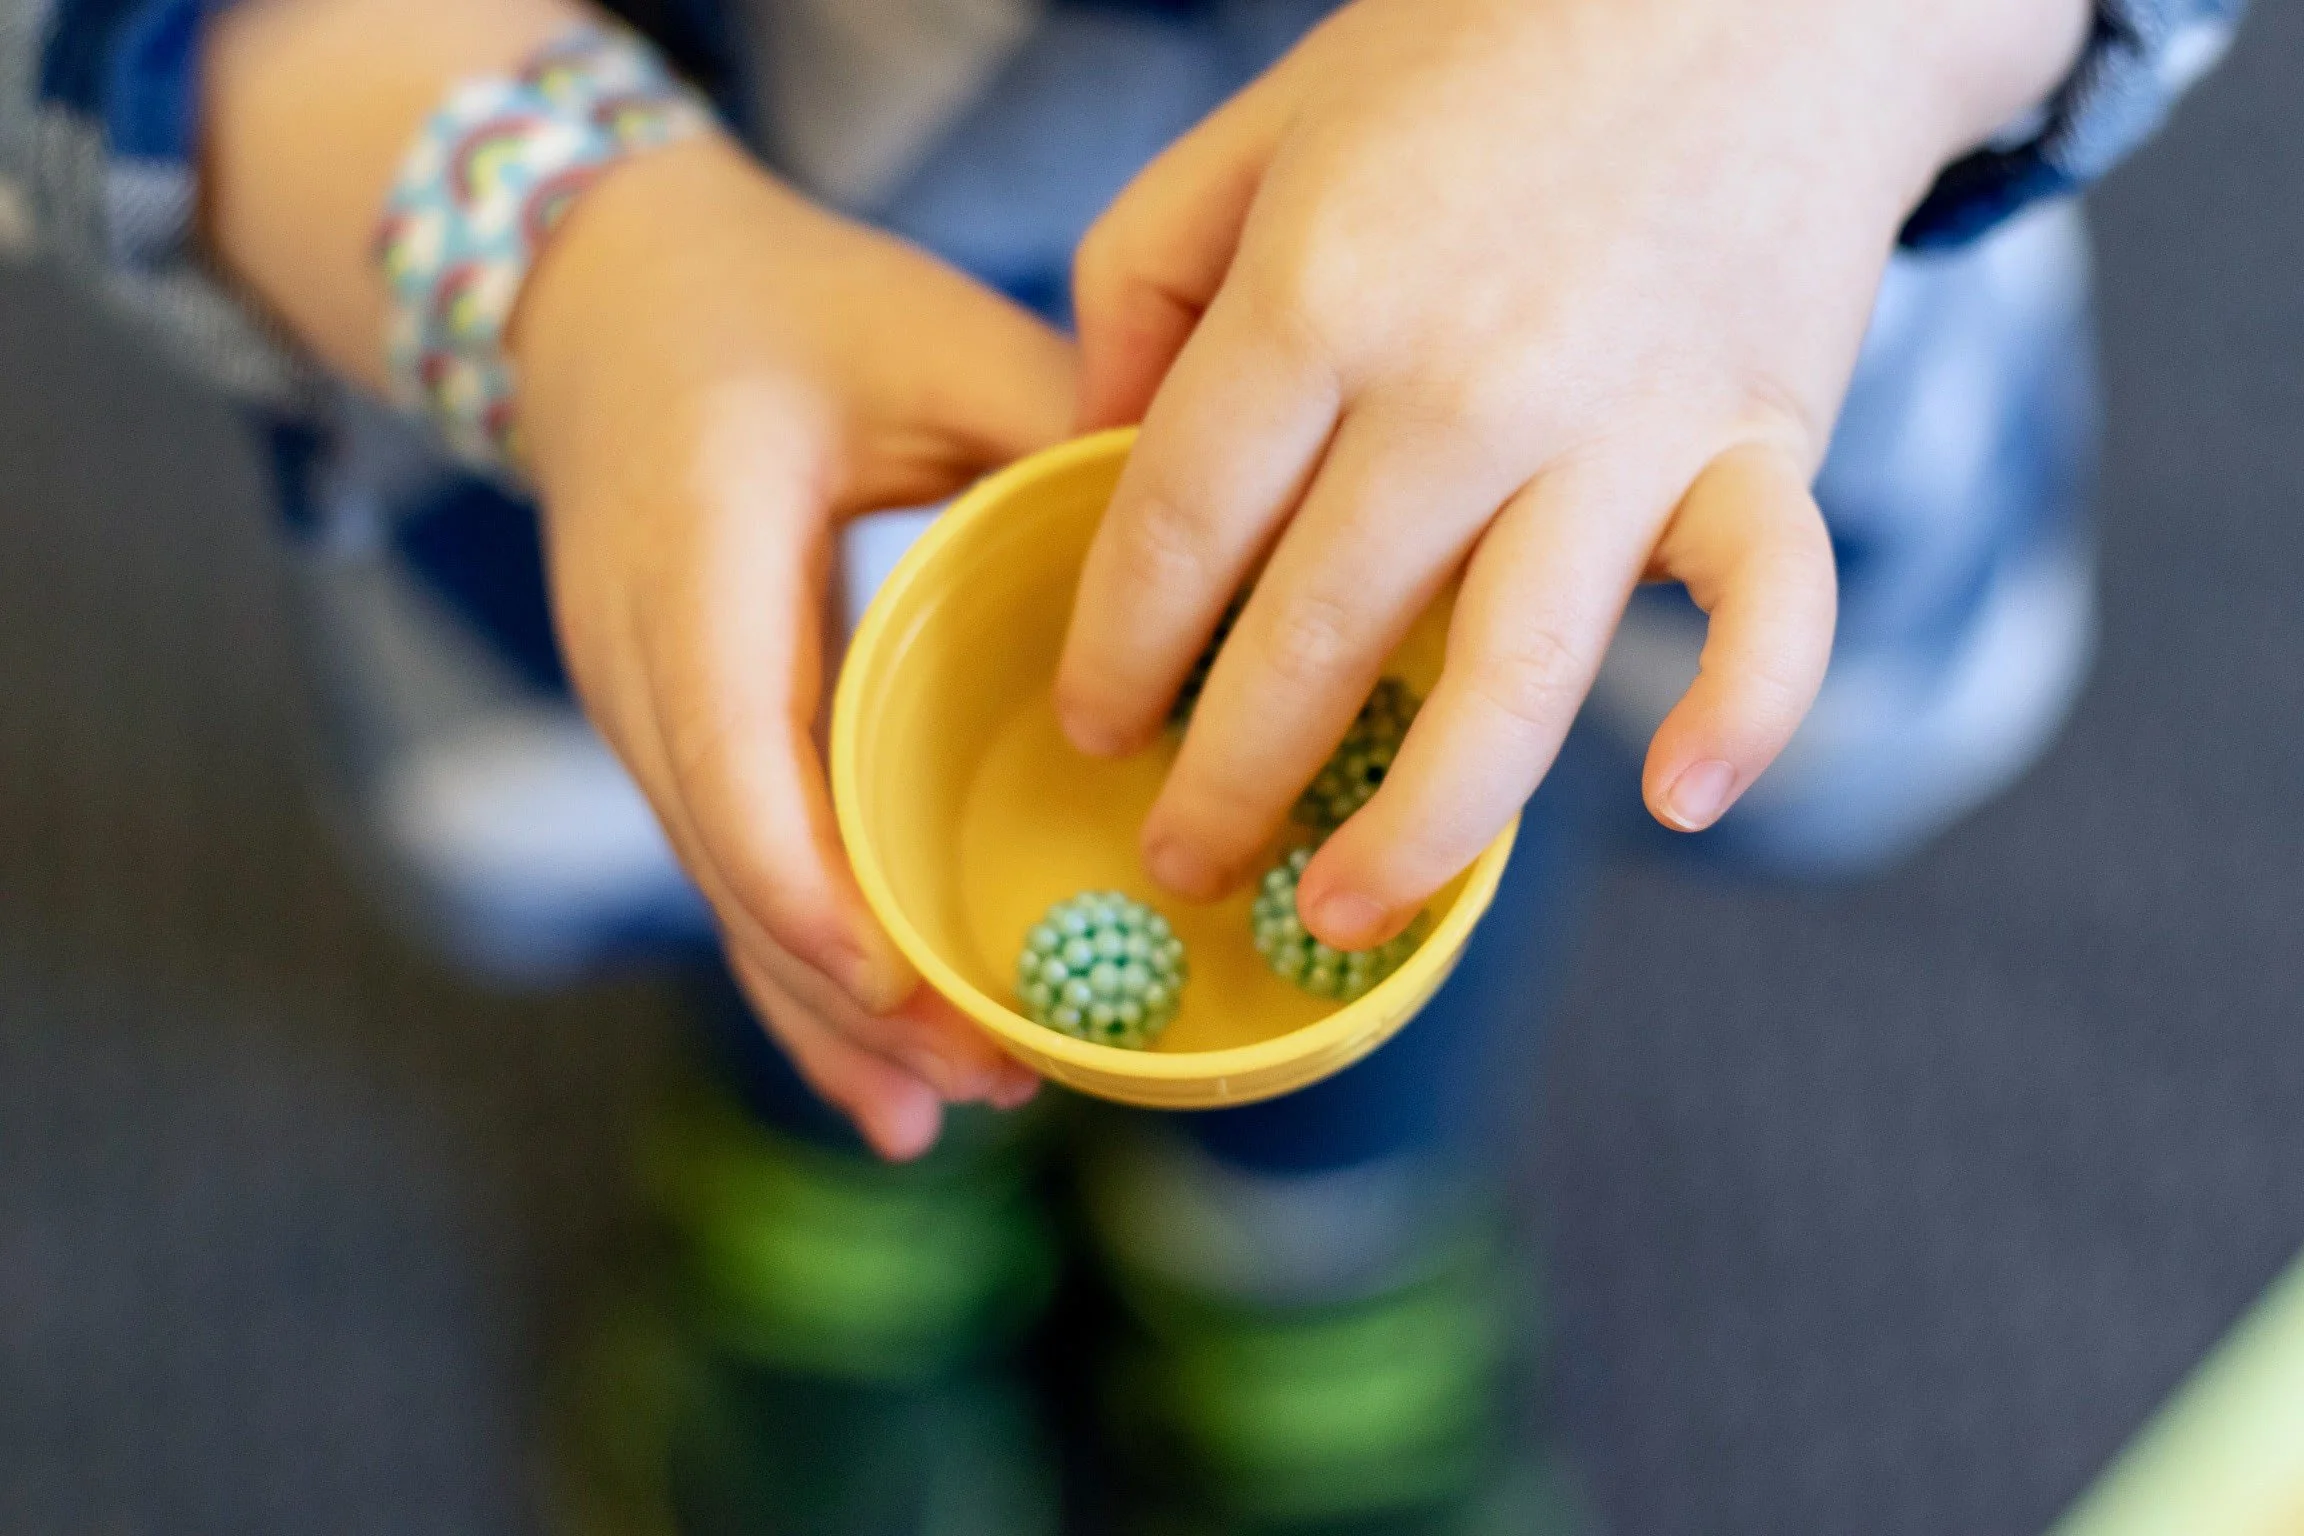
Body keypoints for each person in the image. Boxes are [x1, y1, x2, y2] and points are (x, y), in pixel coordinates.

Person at [0, 0, 2243, 1529]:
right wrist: (570, 264)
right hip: (702, 196)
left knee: (1469, 721)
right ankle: (849, 1165)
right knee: (760, 733)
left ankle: (1313, 1240)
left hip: (1696, 214)